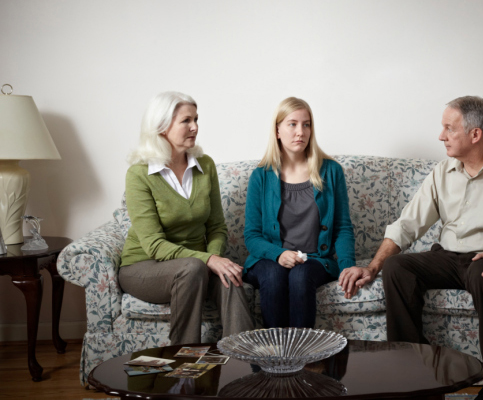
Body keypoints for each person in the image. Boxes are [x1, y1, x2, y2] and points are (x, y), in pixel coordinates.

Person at [338, 96, 483, 400]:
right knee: (397, 267)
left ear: (475, 134)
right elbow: (407, 224)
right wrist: (373, 266)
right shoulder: (443, 172)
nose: (441, 136)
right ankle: (413, 372)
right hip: (449, 257)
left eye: (449, 128)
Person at [119, 91, 254, 345]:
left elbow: (216, 227)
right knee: (192, 268)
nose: (195, 127)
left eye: (196, 119)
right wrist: (208, 260)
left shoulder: (205, 165)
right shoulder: (139, 174)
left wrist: (215, 259)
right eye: (186, 121)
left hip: (196, 267)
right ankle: (182, 359)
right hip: (144, 266)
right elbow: (154, 245)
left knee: (230, 275)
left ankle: (244, 360)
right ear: (162, 127)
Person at [244, 97, 355, 329]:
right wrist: (278, 254)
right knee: (274, 275)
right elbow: (252, 235)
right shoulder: (261, 176)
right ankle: (275, 349)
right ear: (277, 130)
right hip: (268, 260)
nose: (300, 132)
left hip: (315, 260)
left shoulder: (331, 171)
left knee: (300, 275)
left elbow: (342, 227)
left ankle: (303, 349)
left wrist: (347, 266)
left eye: (306, 124)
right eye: (292, 124)